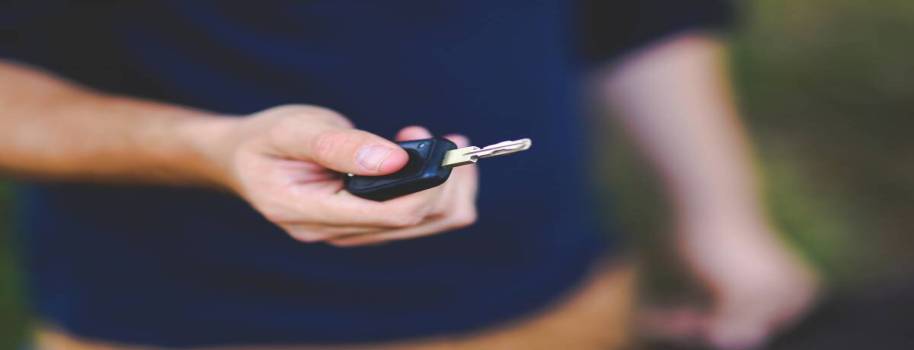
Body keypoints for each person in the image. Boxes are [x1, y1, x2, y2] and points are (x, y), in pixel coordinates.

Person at [0, 1, 817, 349]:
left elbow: (638, 11)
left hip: (563, 304)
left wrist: (721, 213)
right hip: (196, 329)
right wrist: (213, 148)